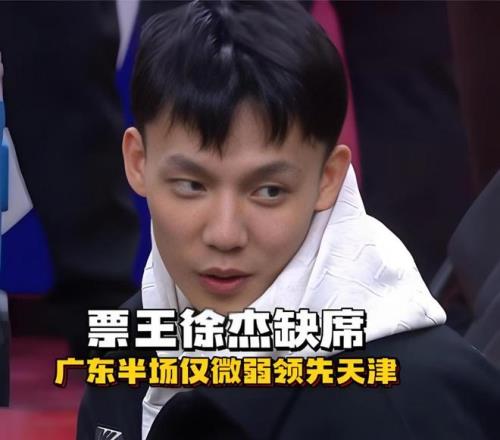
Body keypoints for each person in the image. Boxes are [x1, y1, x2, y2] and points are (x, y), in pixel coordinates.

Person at [77, 2, 500, 439]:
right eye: (191, 185)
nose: (225, 234)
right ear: (138, 162)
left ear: (328, 178)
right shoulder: (131, 340)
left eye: (268, 191)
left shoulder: (407, 401)